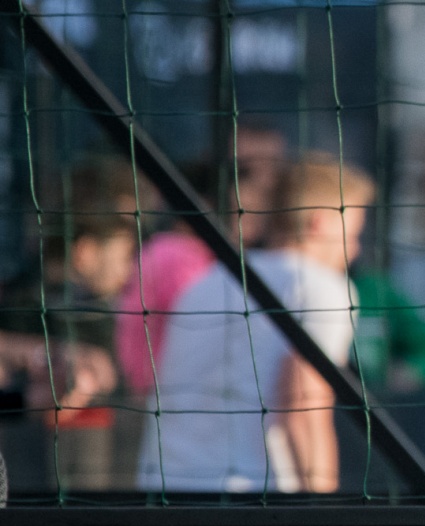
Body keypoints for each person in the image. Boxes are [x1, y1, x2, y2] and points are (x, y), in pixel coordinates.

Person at [138, 155, 373, 495]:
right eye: (353, 232)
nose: (355, 249)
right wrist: (327, 512)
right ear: (320, 223)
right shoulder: (322, 288)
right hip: (250, 499)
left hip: (162, 489)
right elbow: (303, 410)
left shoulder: (209, 281)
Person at [115, 123, 287, 397]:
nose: (251, 223)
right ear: (207, 206)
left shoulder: (191, 255)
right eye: (241, 212)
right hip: (163, 399)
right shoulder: (177, 255)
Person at [0, 159, 138, 490]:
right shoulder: (24, 305)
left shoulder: (105, 316)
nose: (129, 272)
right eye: (123, 257)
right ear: (85, 252)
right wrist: (50, 356)